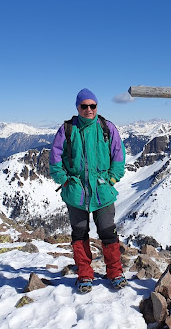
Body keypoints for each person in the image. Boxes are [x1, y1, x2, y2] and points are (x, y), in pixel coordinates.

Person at [49, 88, 128, 293]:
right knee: (80, 234)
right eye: (84, 106)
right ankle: (84, 275)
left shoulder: (107, 128)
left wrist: (112, 179)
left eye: (93, 105)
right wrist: (65, 181)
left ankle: (115, 273)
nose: (89, 109)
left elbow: (119, 157)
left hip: (102, 191)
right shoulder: (67, 129)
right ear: (78, 107)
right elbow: (55, 160)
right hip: (76, 193)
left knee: (108, 232)